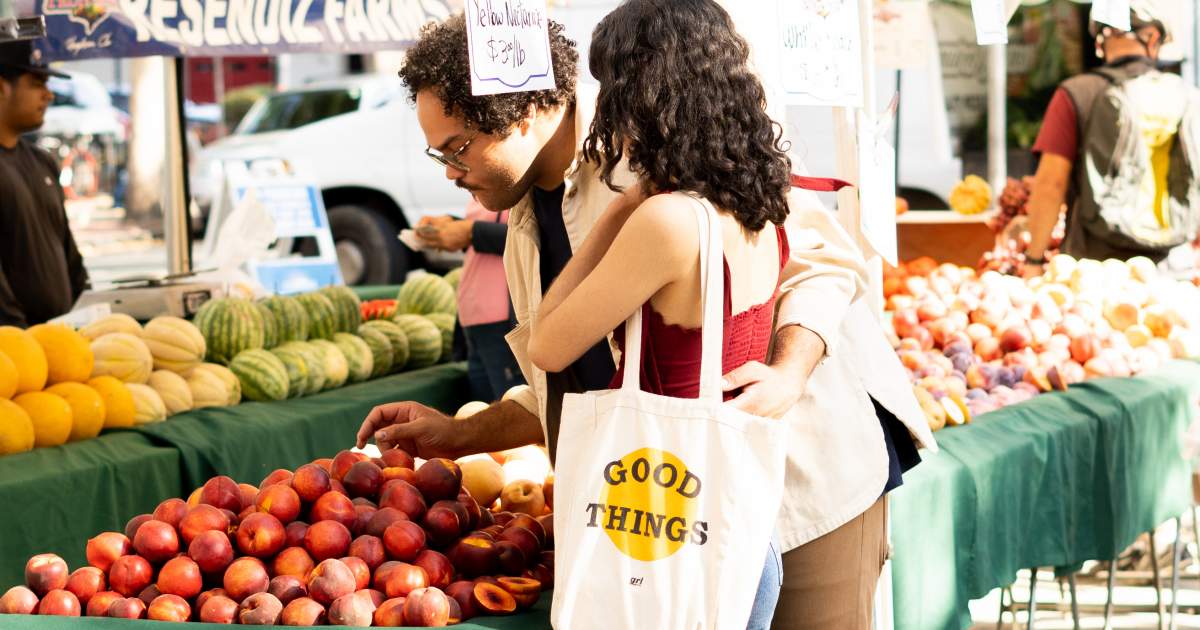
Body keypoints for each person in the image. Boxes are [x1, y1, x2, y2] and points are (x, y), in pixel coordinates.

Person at [358, 7, 935, 628]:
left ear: (522, 116)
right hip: (682, 510)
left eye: (458, 148)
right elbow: (586, 381)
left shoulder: (660, 157)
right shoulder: (526, 210)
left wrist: (790, 372)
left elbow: (820, 262)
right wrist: (461, 434)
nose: (448, 172)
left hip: (801, 479)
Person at [1023, 1, 1196, 276]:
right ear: (1153, 38)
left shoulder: (1076, 94)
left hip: (1095, 271)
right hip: (1173, 267)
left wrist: (1033, 260)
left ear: (1102, 40)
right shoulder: (1189, 97)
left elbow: (1051, 183)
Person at [0, 39, 88, 327]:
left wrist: (88, 311)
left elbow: (68, 253)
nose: (49, 95)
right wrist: (22, 338)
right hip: (16, 356)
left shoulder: (43, 162)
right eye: (38, 83)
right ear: (2, 87)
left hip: (64, 346)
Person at [416, 199, 524, 401]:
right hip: (475, 323)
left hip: (502, 324)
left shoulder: (522, 183)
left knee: (512, 414)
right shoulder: (486, 187)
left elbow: (529, 237)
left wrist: (471, 231)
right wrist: (452, 226)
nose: (452, 173)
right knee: (483, 415)